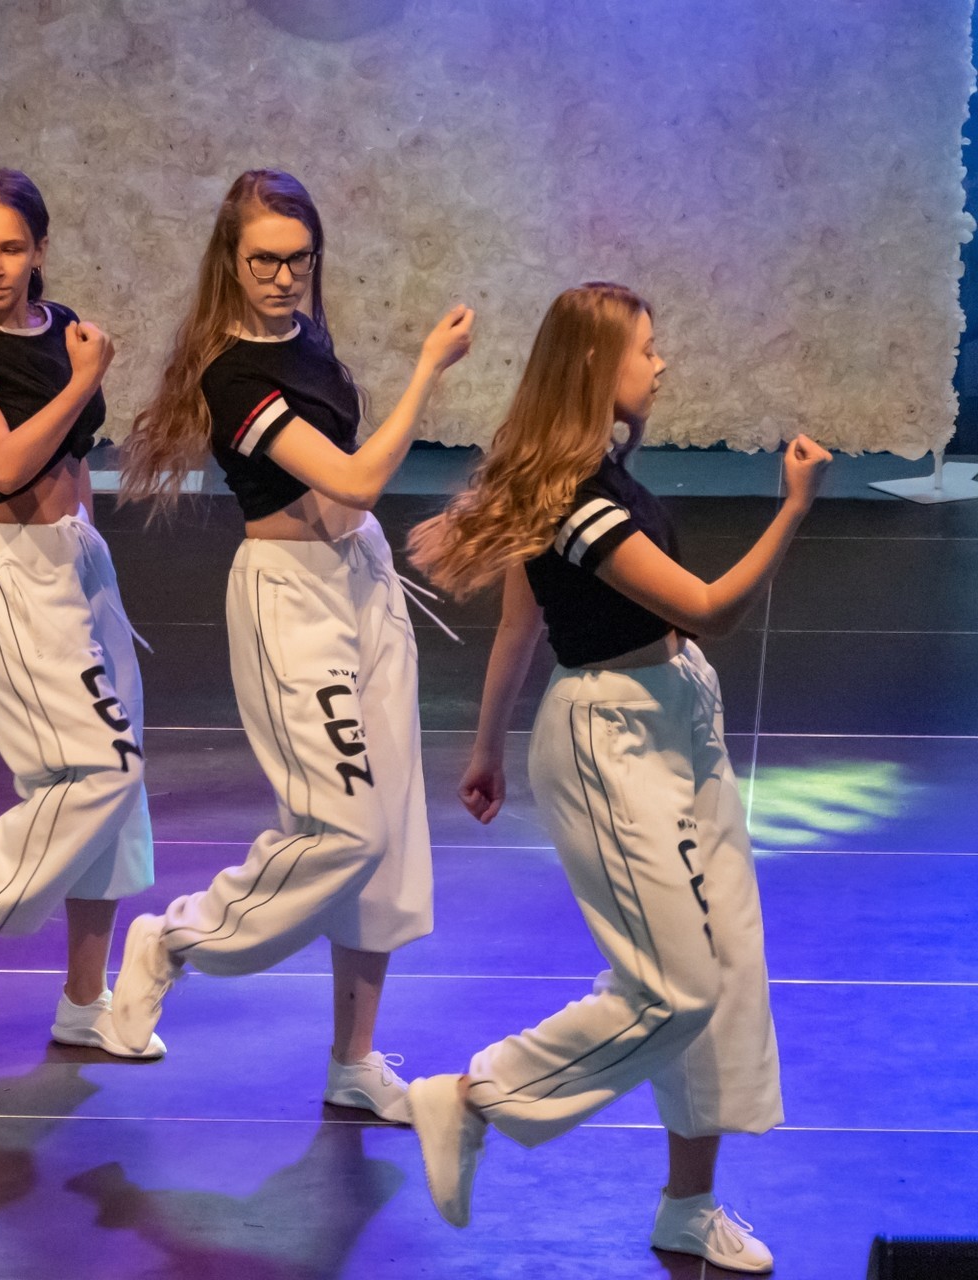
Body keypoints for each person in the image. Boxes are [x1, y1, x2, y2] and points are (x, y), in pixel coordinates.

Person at [401, 282, 830, 1273]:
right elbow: (710, 607)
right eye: (647, 347)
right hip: (612, 739)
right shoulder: (578, 503)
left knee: (724, 970)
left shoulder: (575, 470)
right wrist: (794, 507)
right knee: (676, 984)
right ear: (597, 364)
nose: (661, 362)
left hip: (679, 714)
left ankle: (689, 1206)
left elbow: (519, 620)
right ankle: (473, 1097)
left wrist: (484, 746)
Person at [112, 170, 474, 1117]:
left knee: (389, 836)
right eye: (264, 261)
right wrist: (429, 370)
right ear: (231, 263)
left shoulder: (308, 341)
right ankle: (175, 938)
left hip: (364, 583)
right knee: (344, 827)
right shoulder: (233, 374)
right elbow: (352, 480)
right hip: (291, 601)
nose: (282, 277)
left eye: (297, 259)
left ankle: (354, 1062)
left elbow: (352, 504)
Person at [0, 169, 156, 1058]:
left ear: (40, 250)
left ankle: (85, 1003)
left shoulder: (62, 328)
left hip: (75, 560)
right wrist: (84, 378)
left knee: (121, 785)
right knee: (97, 769)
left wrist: (86, 545)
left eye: (11, 248)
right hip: (6, 569)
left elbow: (73, 456)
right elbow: (7, 463)